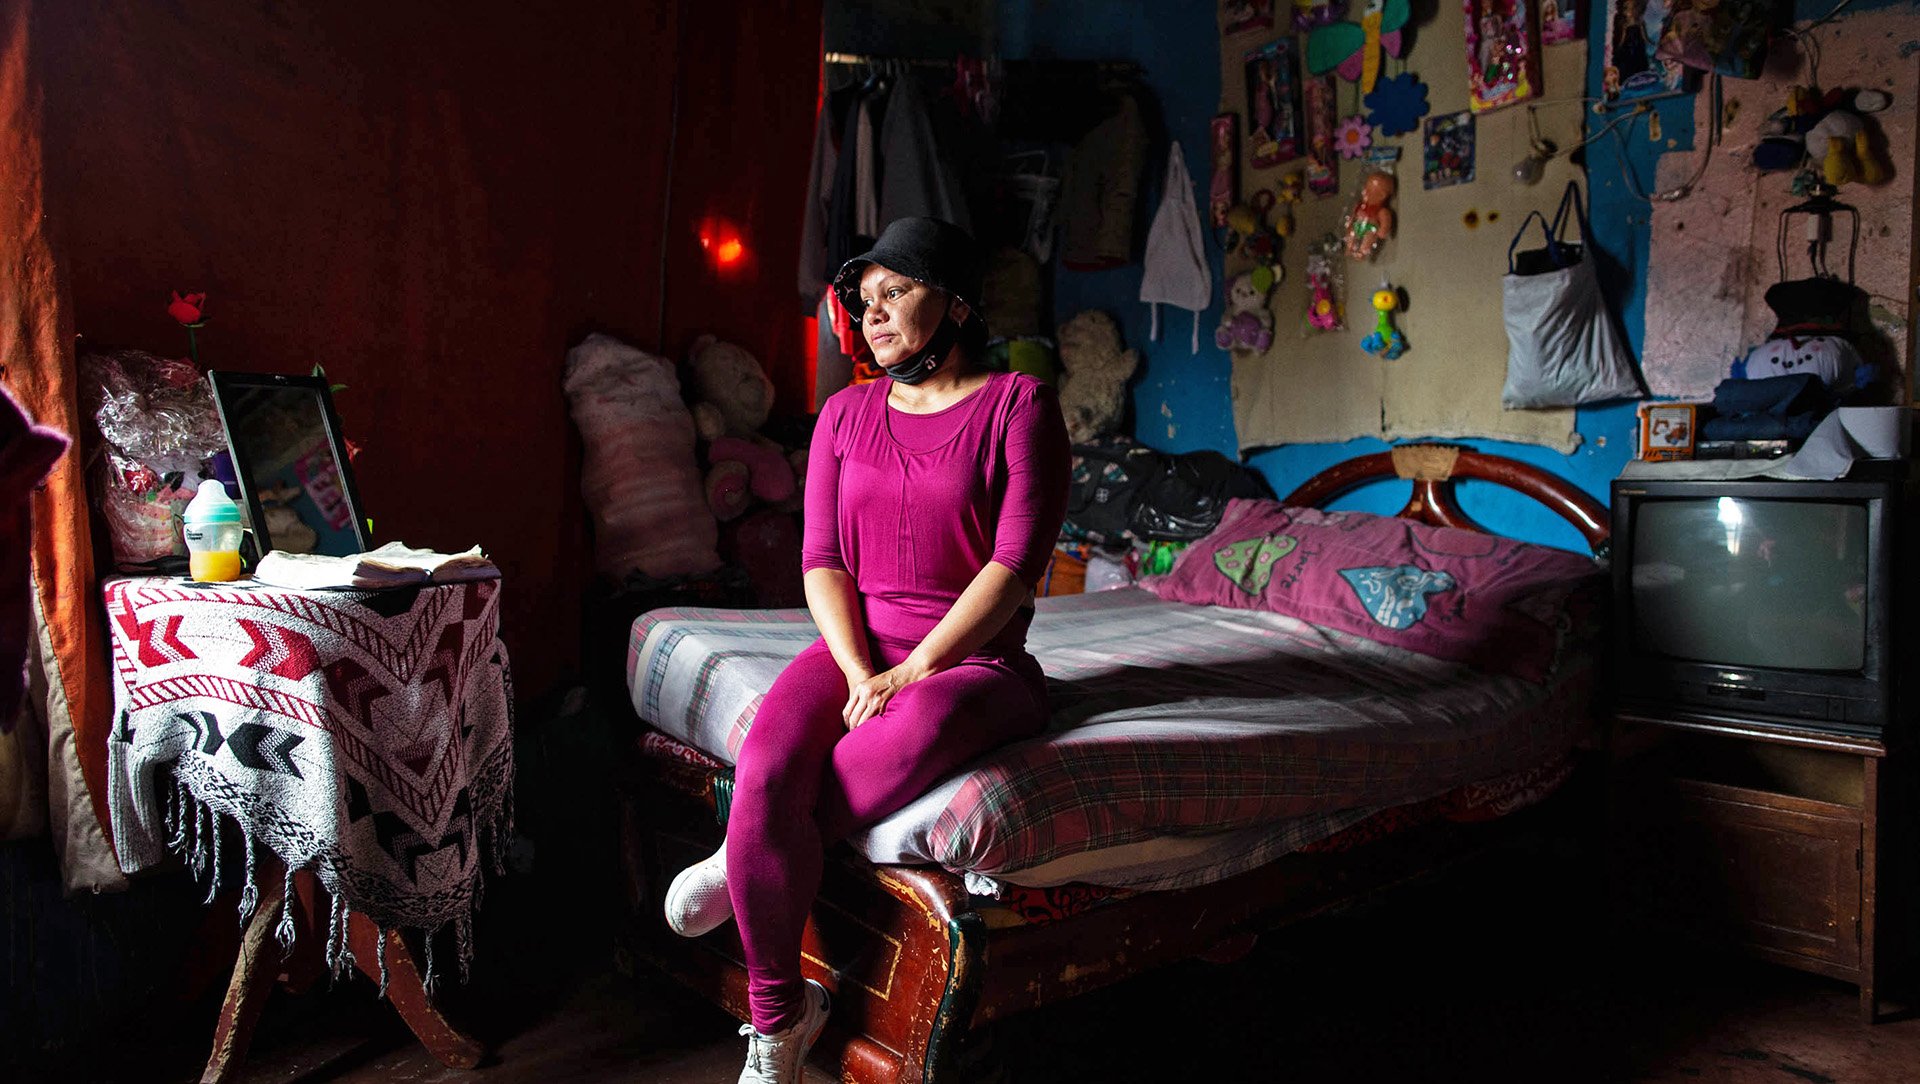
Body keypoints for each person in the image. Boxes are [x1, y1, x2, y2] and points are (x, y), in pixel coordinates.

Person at [661, 217, 1071, 1084]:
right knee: (767, 771)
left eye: (896, 292)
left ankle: (741, 856)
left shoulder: (1018, 404)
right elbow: (822, 560)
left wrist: (914, 672)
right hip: (861, 646)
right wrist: (858, 671)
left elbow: (1015, 568)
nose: (873, 314)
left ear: (955, 302)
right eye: (865, 298)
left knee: (868, 763)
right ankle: (781, 1018)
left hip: (973, 665)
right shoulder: (846, 414)